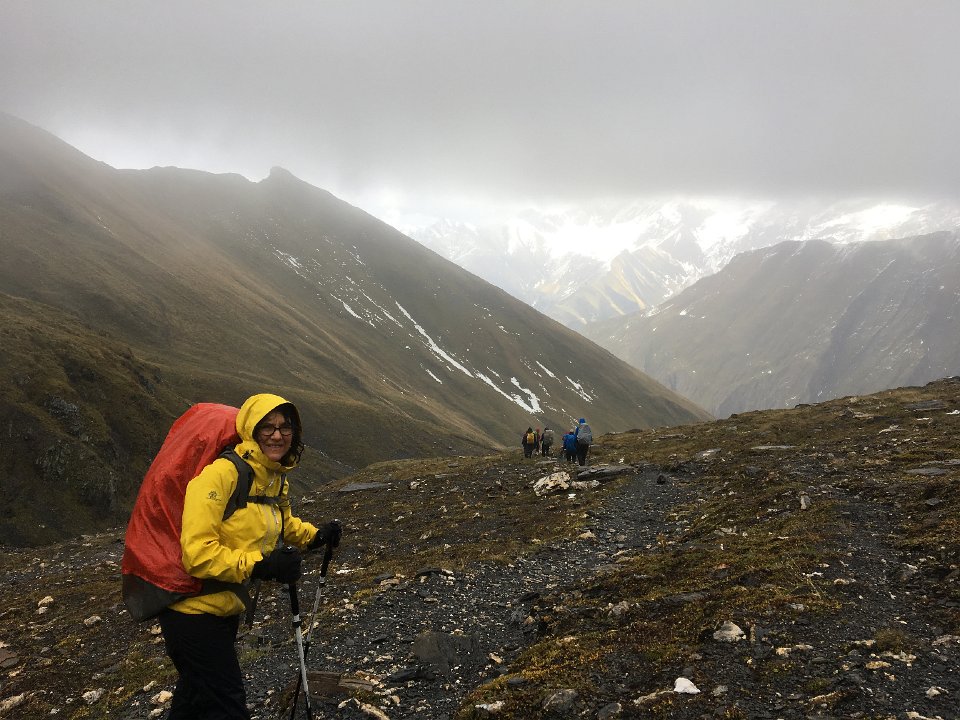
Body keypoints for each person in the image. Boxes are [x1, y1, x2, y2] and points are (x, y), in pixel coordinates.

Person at [158, 393, 342, 720]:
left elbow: (284, 522)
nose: (277, 435)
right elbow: (197, 554)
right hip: (191, 613)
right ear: (250, 430)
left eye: (285, 427)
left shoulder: (272, 478)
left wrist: (317, 536)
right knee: (227, 704)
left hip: (224, 609)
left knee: (194, 697)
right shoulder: (220, 475)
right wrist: (261, 565)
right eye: (267, 427)